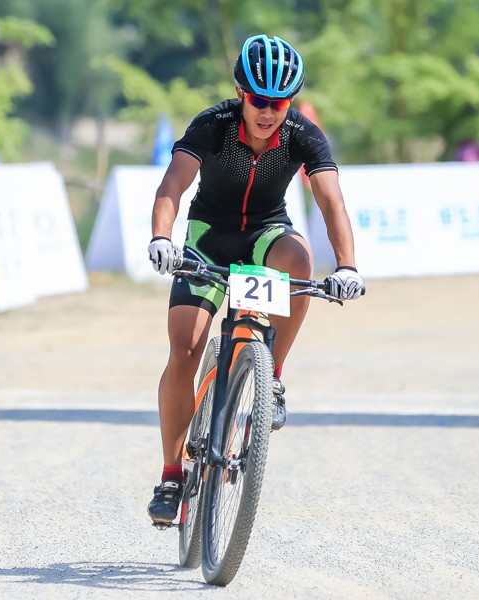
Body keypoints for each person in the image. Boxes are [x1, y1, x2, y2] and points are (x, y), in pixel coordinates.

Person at [145, 34, 364, 525]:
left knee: (301, 262)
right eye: (259, 101)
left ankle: (274, 378)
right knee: (184, 351)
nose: (268, 112)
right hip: (209, 239)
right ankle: (171, 474)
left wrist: (347, 266)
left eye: (279, 102)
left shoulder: (302, 134)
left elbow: (331, 202)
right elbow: (172, 185)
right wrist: (162, 236)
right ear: (242, 93)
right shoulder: (214, 124)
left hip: (266, 235)